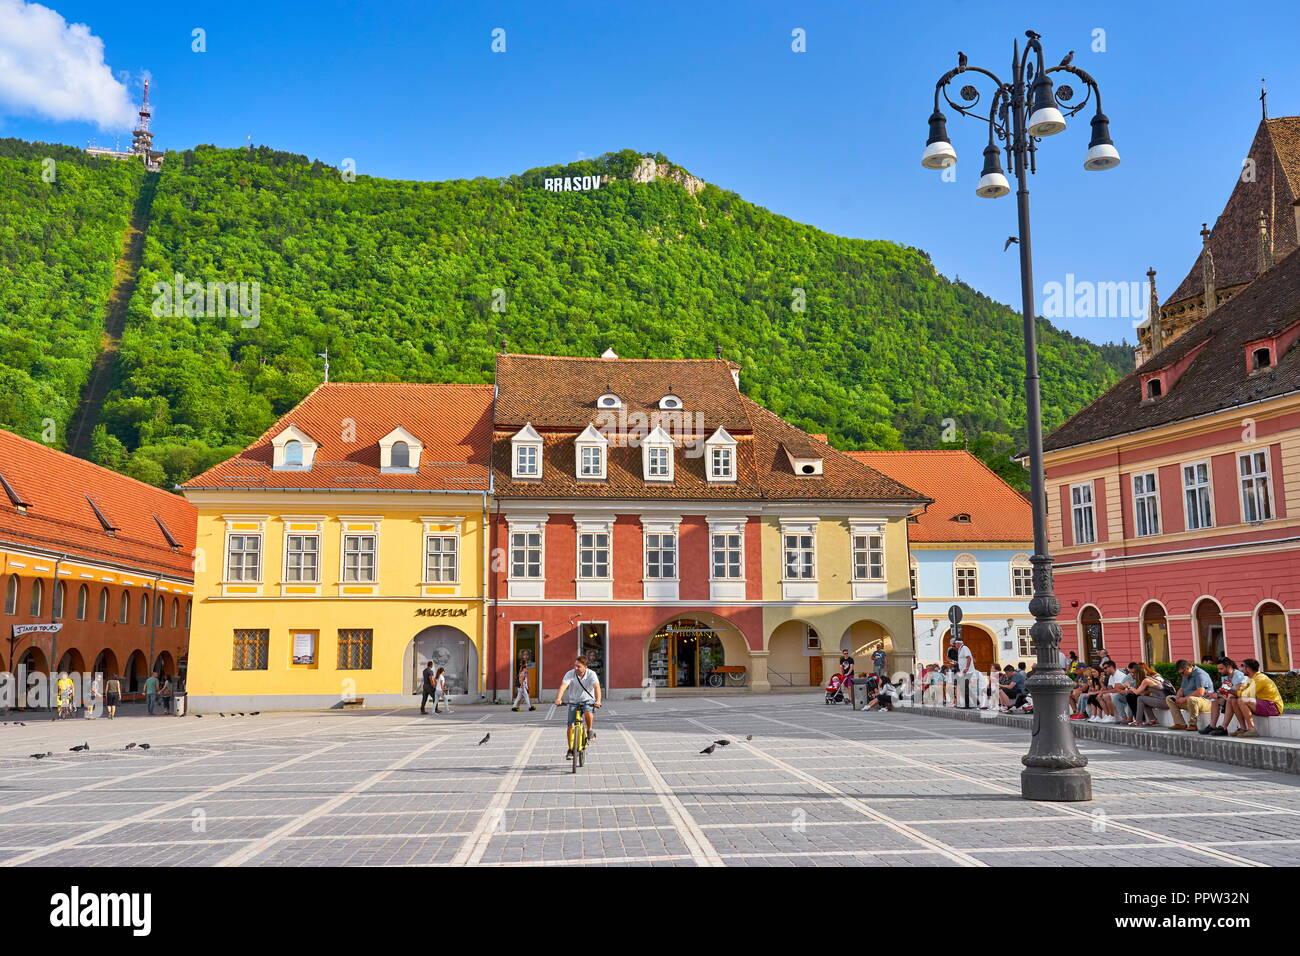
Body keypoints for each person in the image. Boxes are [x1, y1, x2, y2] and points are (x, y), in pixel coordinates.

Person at [1217, 659, 1284, 738]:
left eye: (1242, 666)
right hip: (1263, 704)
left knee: (1242, 700)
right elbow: (1241, 691)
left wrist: (1228, 690)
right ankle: (1243, 728)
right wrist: (1228, 692)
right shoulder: (1250, 678)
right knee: (1233, 700)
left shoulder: (1260, 679)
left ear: (1248, 668)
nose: (1241, 669)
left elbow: (1245, 695)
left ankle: (1252, 729)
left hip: (1273, 707)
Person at [555, 655, 602, 759]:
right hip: (574, 701)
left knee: (587, 712)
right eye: (575, 666)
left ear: (585, 667)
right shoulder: (570, 673)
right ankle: (571, 749)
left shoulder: (591, 674)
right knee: (570, 726)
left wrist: (598, 700)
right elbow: (563, 686)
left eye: (578, 666)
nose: (576, 668)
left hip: (587, 700)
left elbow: (597, 688)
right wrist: (558, 699)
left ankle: (589, 730)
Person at [1202, 656, 1248, 734]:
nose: (1219, 671)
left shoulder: (1238, 675)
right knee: (1215, 699)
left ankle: (1224, 727)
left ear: (1229, 667)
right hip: (1231, 698)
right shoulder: (1225, 677)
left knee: (1230, 699)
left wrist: (1222, 693)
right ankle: (1212, 726)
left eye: (1221, 669)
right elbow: (1223, 691)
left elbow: (1239, 693)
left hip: (1242, 699)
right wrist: (1214, 695)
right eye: (1218, 669)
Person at [1167, 659, 1213, 731]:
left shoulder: (1200, 674)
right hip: (1191, 702)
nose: (1182, 675)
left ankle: (1193, 725)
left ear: (1188, 668)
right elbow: (1181, 689)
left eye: (1182, 673)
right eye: (1180, 673)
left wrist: (1184, 699)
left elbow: (1200, 692)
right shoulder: (1186, 674)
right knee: (1169, 698)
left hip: (1206, 702)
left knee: (1192, 699)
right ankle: (1180, 724)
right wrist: (1178, 697)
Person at [1128, 662, 1169, 727]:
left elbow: (1137, 692)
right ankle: (1153, 720)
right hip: (1164, 700)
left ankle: (1138, 722)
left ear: (1138, 673)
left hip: (1165, 701)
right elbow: (1143, 693)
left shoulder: (1146, 680)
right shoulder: (1148, 678)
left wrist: (1129, 687)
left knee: (1140, 699)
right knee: (1143, 698)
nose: (1132, 675)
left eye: (1133, 673)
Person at [953, 636, 975, 708]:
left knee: (964, 687)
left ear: (958, 643)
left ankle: (968, 705)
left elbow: (969, 658)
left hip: (968, 672)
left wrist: (967, 668)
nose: (955, 645)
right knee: (964, 687)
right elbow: (963, 660)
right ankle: (975, 701)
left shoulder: (964, 648)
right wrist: (956, 662)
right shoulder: (960, 649)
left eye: (955, 644)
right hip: (964, 671)